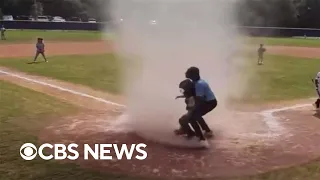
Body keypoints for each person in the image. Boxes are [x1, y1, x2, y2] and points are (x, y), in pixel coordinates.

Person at [174, 78, 209, 148]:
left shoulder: (193, 96)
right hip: (194, 110)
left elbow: (194, 105)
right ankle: (187, 131)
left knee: (185, 120)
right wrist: (180, 96)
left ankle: (195, 136)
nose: (183, 91)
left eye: (184, 89)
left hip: (194, 111)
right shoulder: (193, 93)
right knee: (186, 120)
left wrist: (190, 114)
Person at [185, 67, 216, 138]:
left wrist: (192, 108)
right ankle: (186, 130)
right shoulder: (195, 82)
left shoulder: (199, 84)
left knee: (194, 116)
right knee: (193, 114)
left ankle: (205, 133)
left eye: (188, 72)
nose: (186, 73)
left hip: (210, 103)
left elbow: (199, 99)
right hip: (205, 101)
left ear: (193, 75)